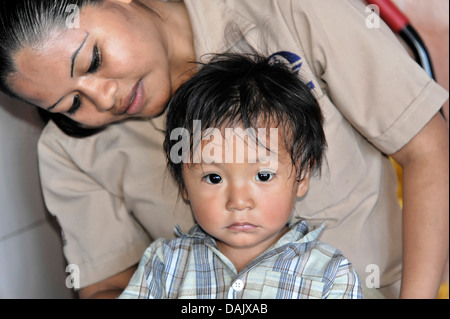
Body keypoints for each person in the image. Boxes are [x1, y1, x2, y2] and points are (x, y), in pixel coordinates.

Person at [0, 0, 448, 299]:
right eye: (71, 103)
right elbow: (108, 287)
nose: (104, 97)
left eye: (93, 60)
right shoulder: (70, 151)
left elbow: (429, 150)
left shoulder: (284, 8)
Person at [119, 52, 362, 299]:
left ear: (301, 175)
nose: (238, 202)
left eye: (264, 176)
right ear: (183, 184)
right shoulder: (163, 265)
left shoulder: (329, 273)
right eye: (214, 178)